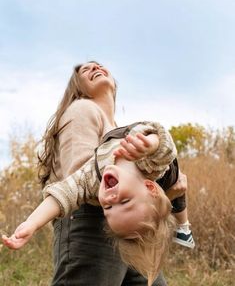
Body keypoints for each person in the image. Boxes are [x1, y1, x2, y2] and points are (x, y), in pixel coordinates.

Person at [2, 61, 189, 286]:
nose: (93, 67)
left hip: (130, 228)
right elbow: (75, 183)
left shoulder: (117, 129)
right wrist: (31, 223)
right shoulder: (83, 108)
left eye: (97, 65)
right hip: (90, 221)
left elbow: (162, 148)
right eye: (84, 70)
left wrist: (160, 194)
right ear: (77, 88)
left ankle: (183, 229)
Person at [2, 120, 178, 284]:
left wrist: (31, 223)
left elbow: (64, 193)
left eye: (107, 207)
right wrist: (152, 143)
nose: (110, 198)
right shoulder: (150, 164)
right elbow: (167, 147)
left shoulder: (92, 180)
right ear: (149, 187)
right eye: (125, 201)